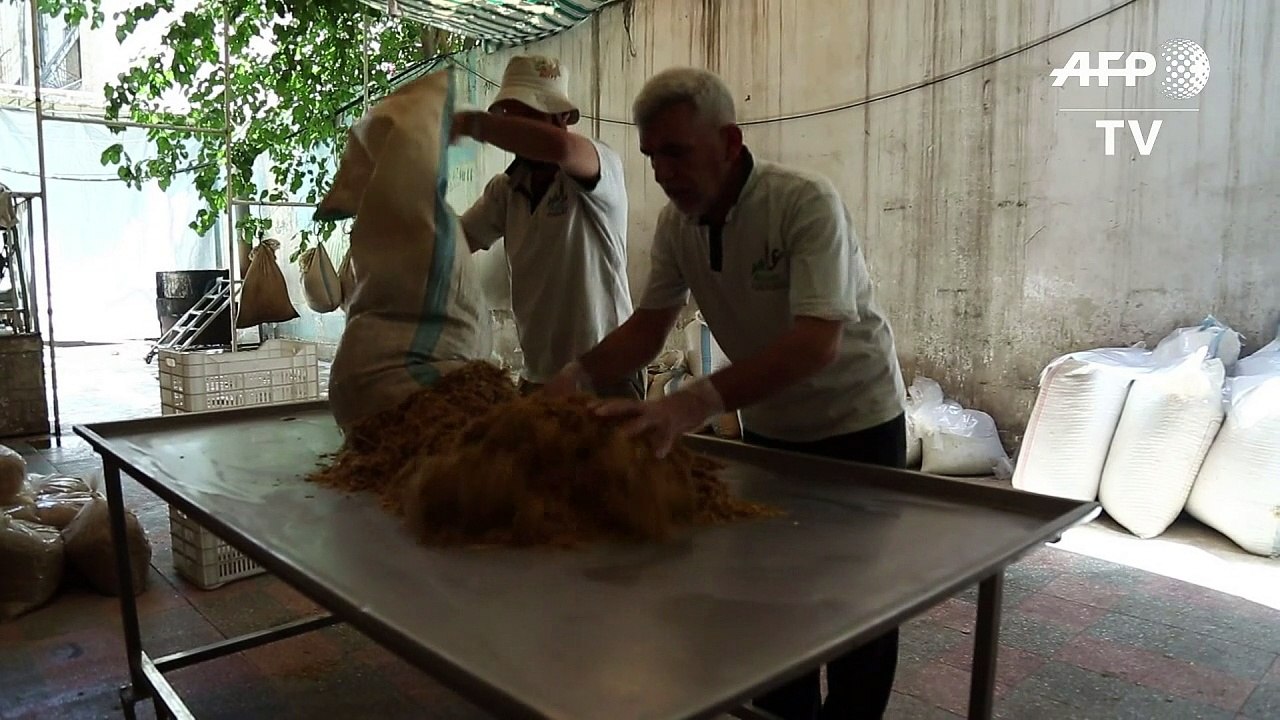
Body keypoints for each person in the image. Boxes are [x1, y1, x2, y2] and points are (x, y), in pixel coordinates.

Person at [544, 66, 908, 720]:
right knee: (770, 606)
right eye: (653, 156)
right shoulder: (678, 228)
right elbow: (649, 328)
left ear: (730, 142)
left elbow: (816, 342)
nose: (662, 171)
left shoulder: (803, 203)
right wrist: (573, 377)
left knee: (858, 608)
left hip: (858, 424)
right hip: (774, 433)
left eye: (677, 152)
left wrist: (689, 405)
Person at [453, 55, 642, 399]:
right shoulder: (506, 191)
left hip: (606, 375)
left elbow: (561, 147)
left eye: (528, 115)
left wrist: (471, 125)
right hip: (540, 377)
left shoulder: (598, 167)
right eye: (511, 115)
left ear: (560, 119)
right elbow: (455, 241)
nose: (515, 128)